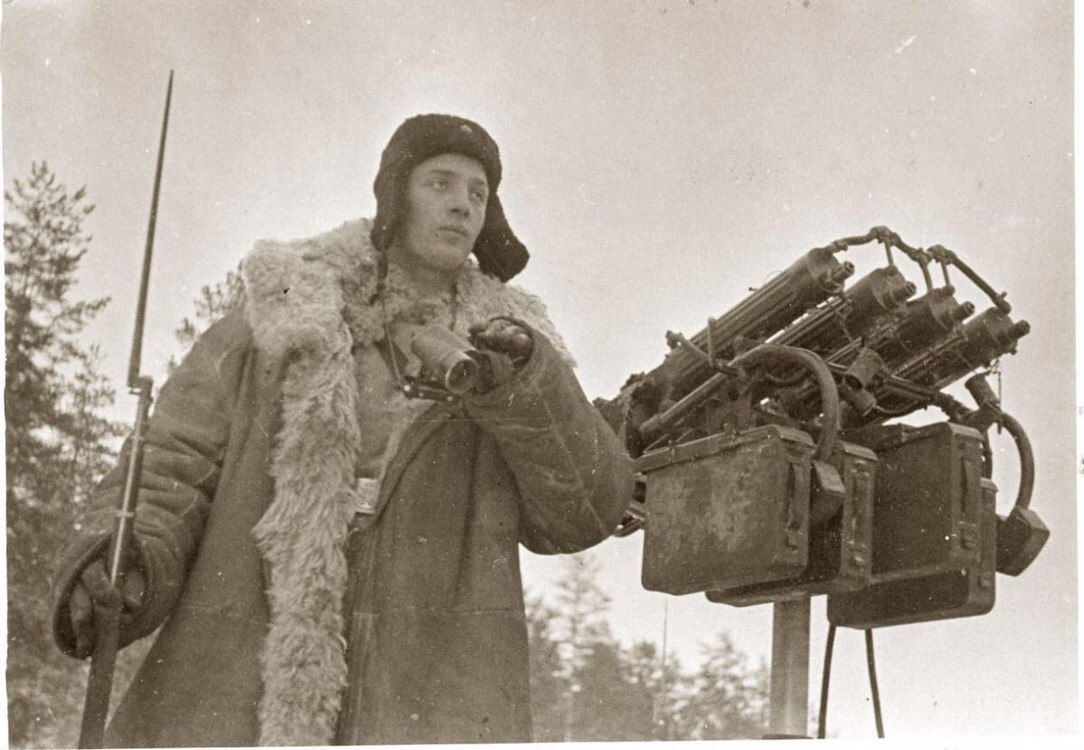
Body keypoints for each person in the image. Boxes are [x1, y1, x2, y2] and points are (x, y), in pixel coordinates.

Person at [51, 114, 634, 746]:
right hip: (249, 654)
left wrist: (524, 385)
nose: (463, 205)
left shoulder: (511, 352)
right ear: (396, 195)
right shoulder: (284, 312)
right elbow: (174, 461)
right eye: (440, 183)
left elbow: (583, 511)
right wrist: (128, 559)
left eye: (478, 192)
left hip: (433, 682)